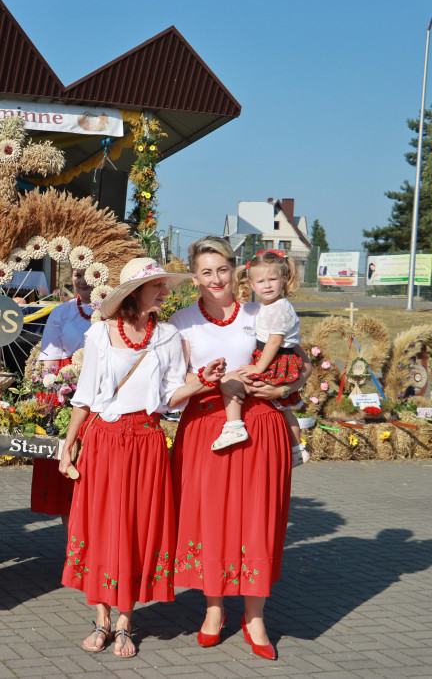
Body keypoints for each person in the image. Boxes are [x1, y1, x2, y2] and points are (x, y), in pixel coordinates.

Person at [58, 258, 223, 658]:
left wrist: (202, 383)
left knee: (135, 527)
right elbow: (84, 395)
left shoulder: (165, 335)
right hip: (102, 440)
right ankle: (100, 619)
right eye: (157, 287)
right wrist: (69, 443)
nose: (165, 293)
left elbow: (168, 396)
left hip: (146, 442)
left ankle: (125, 623)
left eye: (164, 286)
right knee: (100, 526)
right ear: (135, 293)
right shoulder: (99, 333)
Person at [169, 236, 311, 660]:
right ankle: (213, 609)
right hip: (205, 427)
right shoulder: (181, 322)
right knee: (209, 519)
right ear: (195, 277)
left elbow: (301, 363)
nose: (216, 279)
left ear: (236, 271)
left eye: (223, 269)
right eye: (206, 272)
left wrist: (284, 387)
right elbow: (174, 387)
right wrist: (207, 381)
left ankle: (255, 616)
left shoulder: (261, 310)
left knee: (257, 520)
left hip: (260, 425)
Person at [212, 249, 308, 467]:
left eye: (273, 279)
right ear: (251, 283)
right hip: (279, 356)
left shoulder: (277, 309)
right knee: (285, 409)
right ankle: (297, 449)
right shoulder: (269, 306)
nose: (267, 285)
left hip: (274, 358)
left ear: (284, 279)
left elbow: (274, 342)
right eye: (260, 281)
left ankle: (234, 426)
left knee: (235, 381)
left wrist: (258, 367)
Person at [32, 266, 95, 523]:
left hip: (104, 396)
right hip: (69, 391)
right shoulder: (63, 311)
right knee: (69, 467)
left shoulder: (118, 310)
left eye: (89, 274)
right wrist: (54, 391)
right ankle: (71, 543)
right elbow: (49, 361)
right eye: (77, 274)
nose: (81, 280)